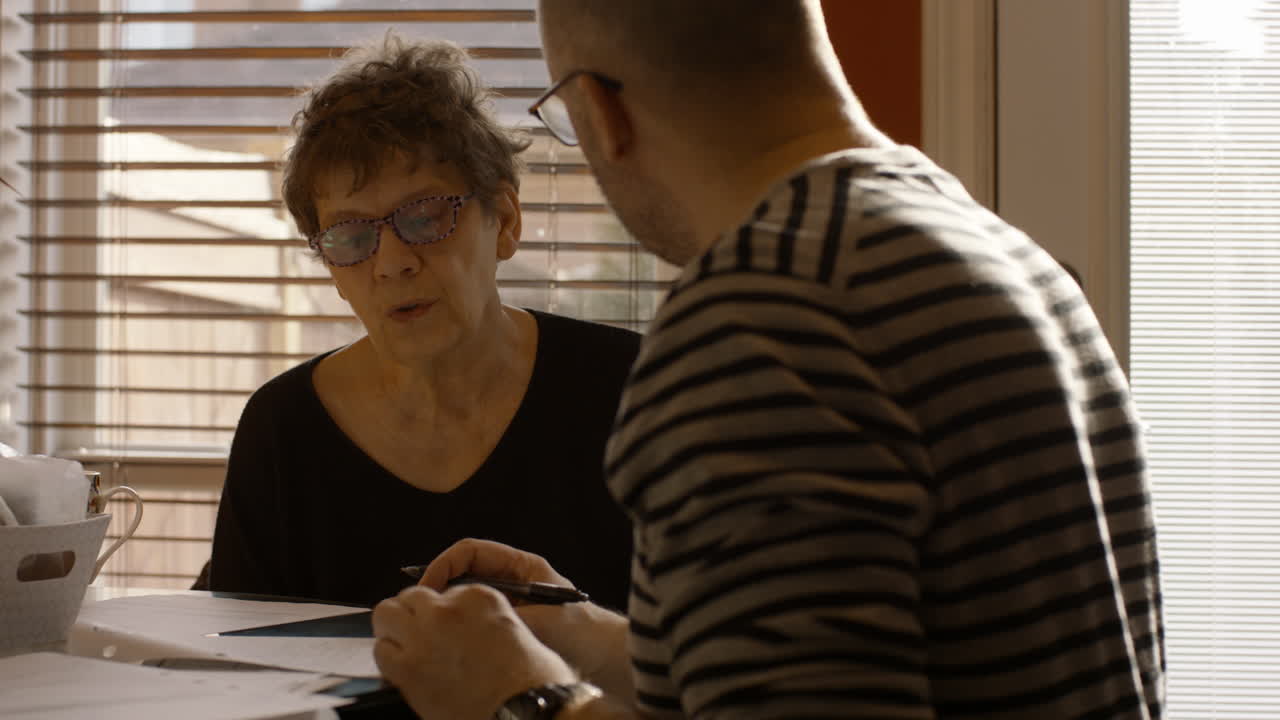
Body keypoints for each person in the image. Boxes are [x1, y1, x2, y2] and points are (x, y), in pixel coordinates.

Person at [369, 2, 1166, 719]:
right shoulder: (993, 252)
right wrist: (572, 632)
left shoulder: (758, 318)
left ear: (604, 110)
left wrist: (520, 696)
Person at [208, 34, 638, 611]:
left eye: (426, 216)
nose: (392, 263)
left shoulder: (634, 388)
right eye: (351, 235)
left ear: (505, 221)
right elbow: (233, 672)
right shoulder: (282, 430)